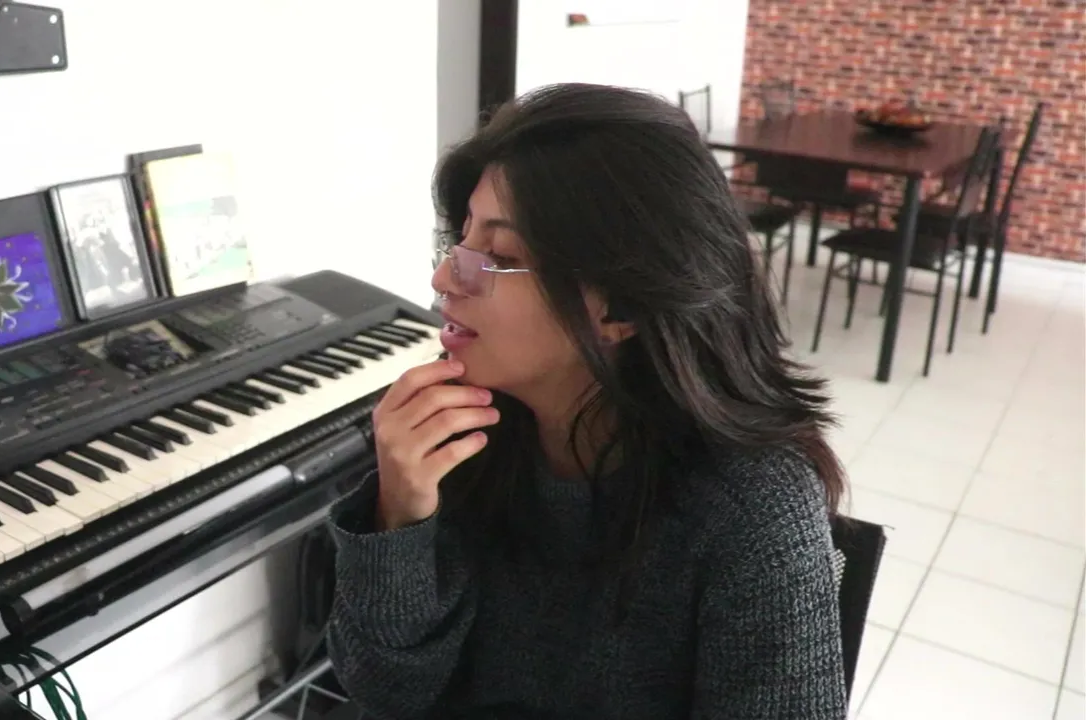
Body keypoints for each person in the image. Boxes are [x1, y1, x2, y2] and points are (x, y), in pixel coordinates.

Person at [325, 83, 848, 719]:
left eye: (498, 255)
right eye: (460, 243)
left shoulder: (752, 509)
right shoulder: (466, 437)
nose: (442, 280)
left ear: (622, 305)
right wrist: (399, 517)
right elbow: (386, 693)